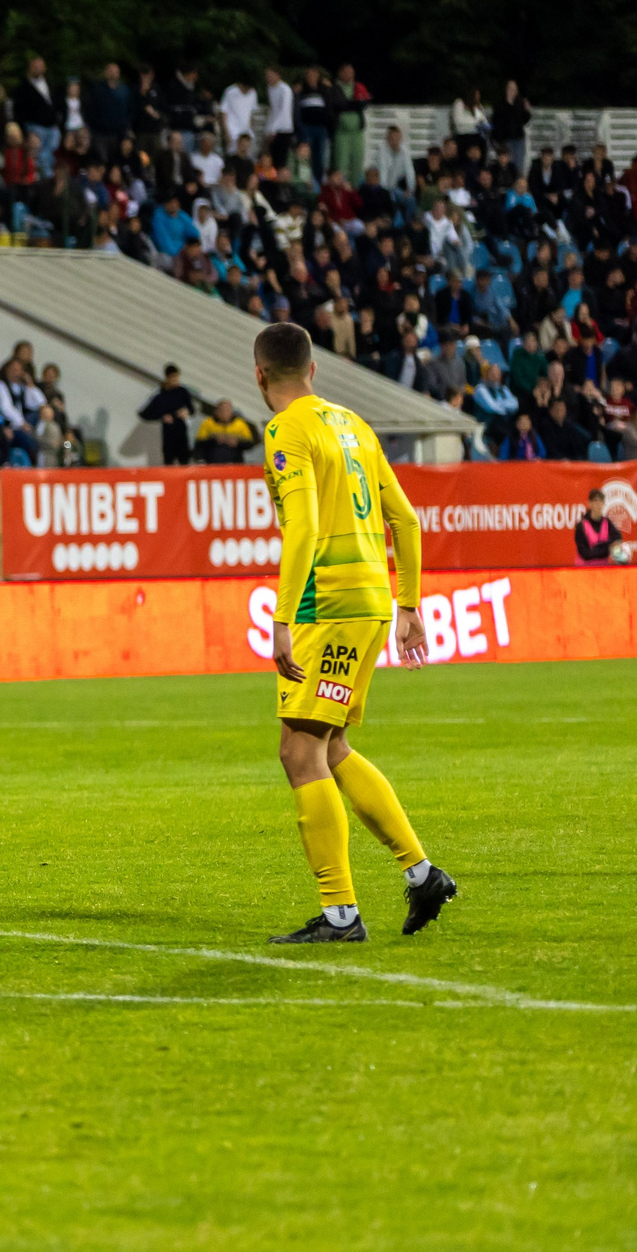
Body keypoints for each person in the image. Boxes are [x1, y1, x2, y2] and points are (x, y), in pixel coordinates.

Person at [253, 322, 457, 944]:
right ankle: (422, 874)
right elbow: (407, 520)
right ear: (313, 370)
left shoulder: (285, 430)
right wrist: (409, 603)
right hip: (371, 600)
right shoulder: (354, 425)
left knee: (299, 752)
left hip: (329, 604)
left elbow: (304, 527)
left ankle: (341, 915)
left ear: (260, 375)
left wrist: (282, 616)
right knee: (331, 745)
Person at [139, 364, 197, 465]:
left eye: (177, 377)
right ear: (167, 378)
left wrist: (186, 412)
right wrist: (162, 417)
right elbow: (143, 413)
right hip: (168, 434)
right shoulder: (159, 394)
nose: (176, 380)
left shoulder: (182, 392)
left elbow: (192, 410)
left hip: (182, 432)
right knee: (169, 462)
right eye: (173, 378)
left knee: (184, 461)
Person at [574, 488, 622, 564]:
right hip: (585, 568)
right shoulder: (581, 526)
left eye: (600, 501)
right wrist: (607, 548)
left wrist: (616, 550)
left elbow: (617, 537)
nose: (598, 504)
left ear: (603, 503)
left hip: (603, 568)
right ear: (590, 503)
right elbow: (585, 554)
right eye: (595, 501)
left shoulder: (607, 523)